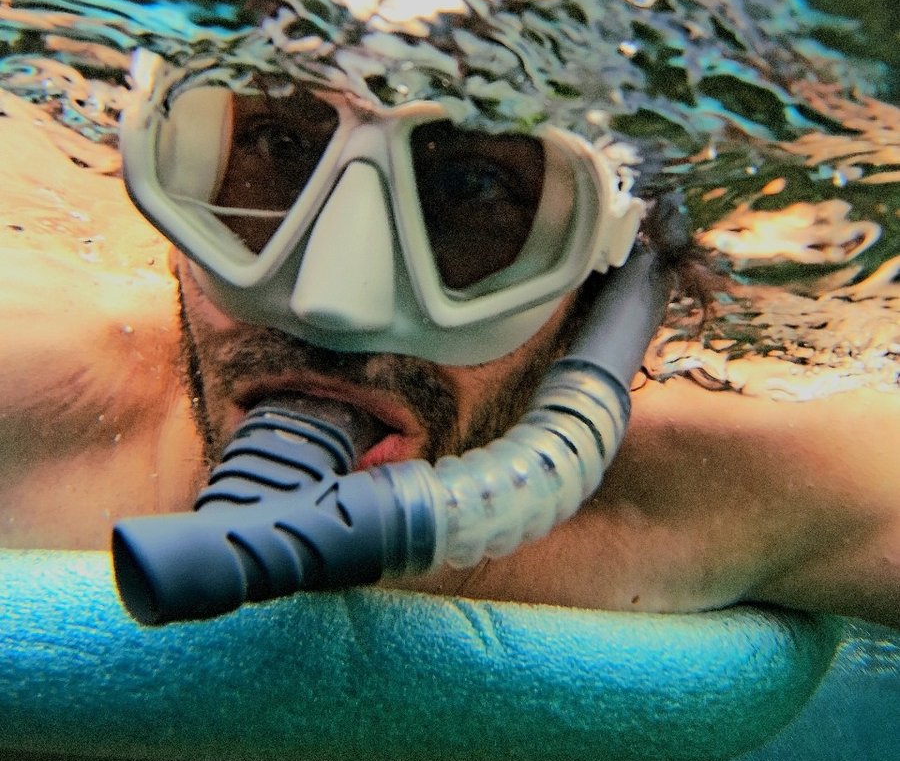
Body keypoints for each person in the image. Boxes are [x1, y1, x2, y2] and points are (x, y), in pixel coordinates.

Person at [1, 54, 898, 630]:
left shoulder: (707, 491)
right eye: (276, 147)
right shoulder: (28, 399)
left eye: (471, 191)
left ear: (603, 281)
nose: (329, 307)